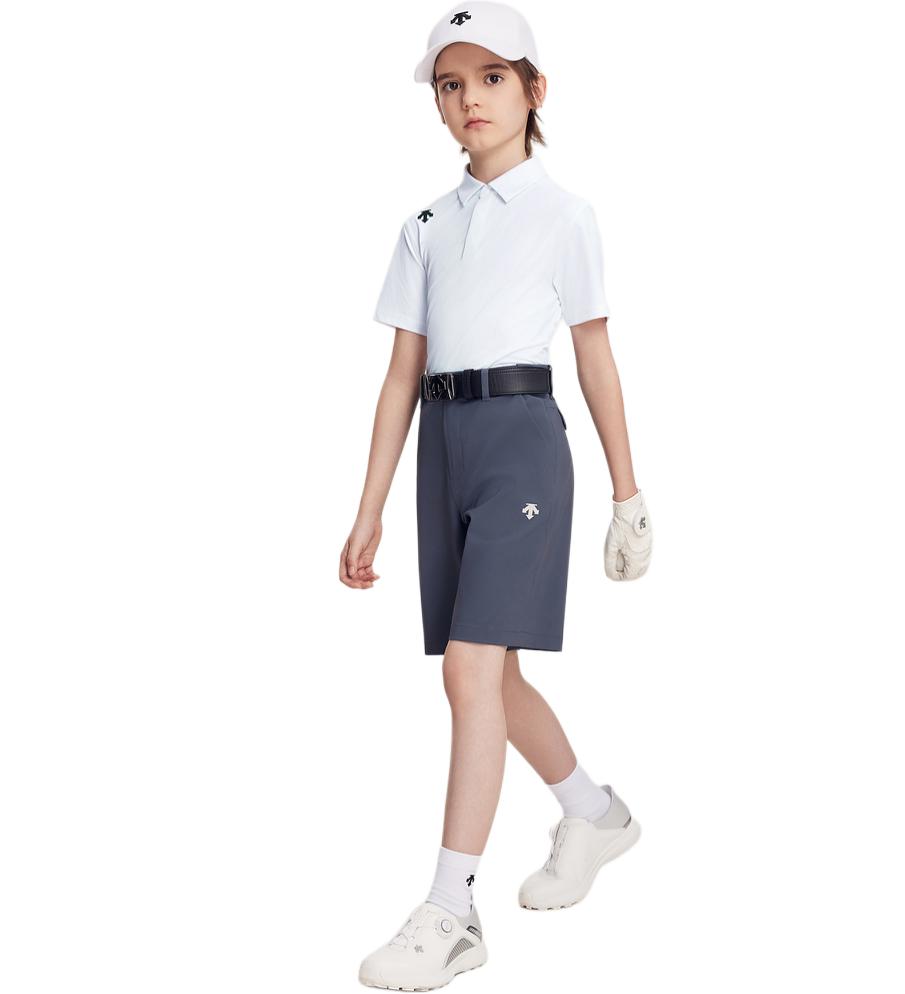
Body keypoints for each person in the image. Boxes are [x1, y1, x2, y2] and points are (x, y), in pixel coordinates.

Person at [341, 3, 653, 989]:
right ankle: (595, 814)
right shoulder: (425, 227)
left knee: (470, 671)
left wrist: (628, 494)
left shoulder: (565, 215)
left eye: (490, 78)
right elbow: (401, 374)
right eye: (451, 83)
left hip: (521, 443)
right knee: (490, 676)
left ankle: (451, 909)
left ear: (533, 90)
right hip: (445, 447)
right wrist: (369, 507)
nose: (469, 98)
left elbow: (595, 354)